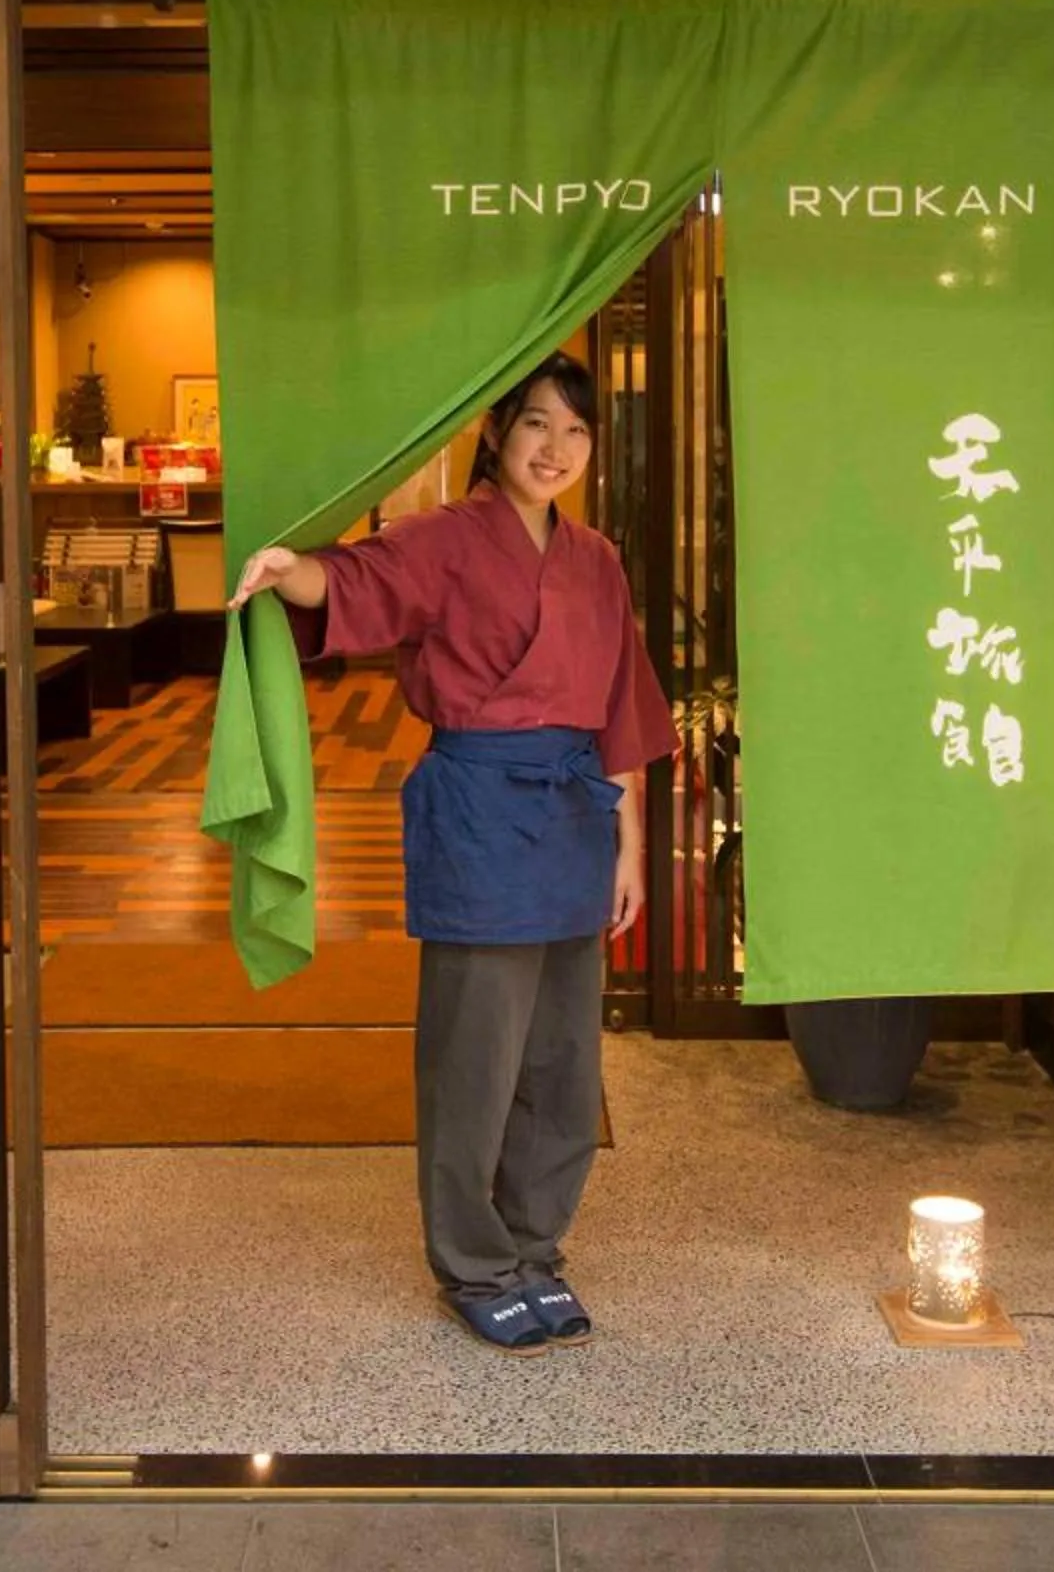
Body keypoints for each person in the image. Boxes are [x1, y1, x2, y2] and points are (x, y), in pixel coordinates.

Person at [230, 353, 677, 1358]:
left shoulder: (597, 561)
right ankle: (473, 1261)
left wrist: (631, 847)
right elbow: (356, 583)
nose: (553, 450)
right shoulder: (445, 538)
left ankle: (534, 1246)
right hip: (480, 807)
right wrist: (284, 566)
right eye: (534, 425)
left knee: (563, 1060)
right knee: (476, 1054)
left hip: (576, 814)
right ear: (496, 434)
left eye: (574, 431)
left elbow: (626, 714)